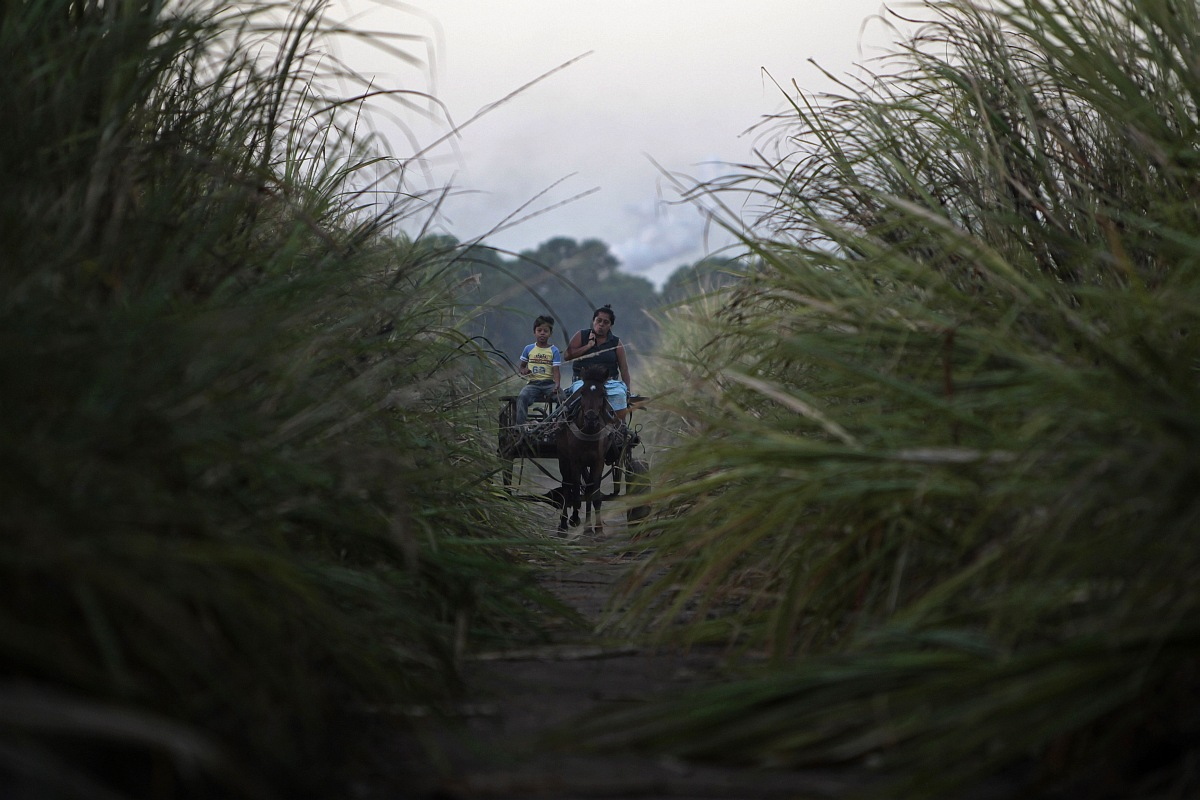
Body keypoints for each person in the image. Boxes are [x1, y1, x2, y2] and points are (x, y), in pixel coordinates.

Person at [564, 304, 632, 424]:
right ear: (593, 321)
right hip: (582, 382)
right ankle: (567, 423)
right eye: (598, 320)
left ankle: (621, 429)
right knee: (575, 397)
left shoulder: (616, 343)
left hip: (609, 383)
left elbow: (624, 369)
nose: (601, 324)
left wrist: (628, 390)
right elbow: (567, 356)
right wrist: (588, 346)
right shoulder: (582, 335)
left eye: (606, 322)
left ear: (610, 325)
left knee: (620, 394)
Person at [515, 315, 562, 426]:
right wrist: (524, 370)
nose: (542, 333)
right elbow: (521, 366)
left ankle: (557, 422)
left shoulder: (554, 350)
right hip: (533, 384)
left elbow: (556, 370)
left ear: (550, 333)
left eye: (545, 331)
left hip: (549, 384)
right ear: (534, 332)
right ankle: (521, 425)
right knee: (522, 397)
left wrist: (557, 384)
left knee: (562, 398)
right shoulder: (529, 349)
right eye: (539, 330)